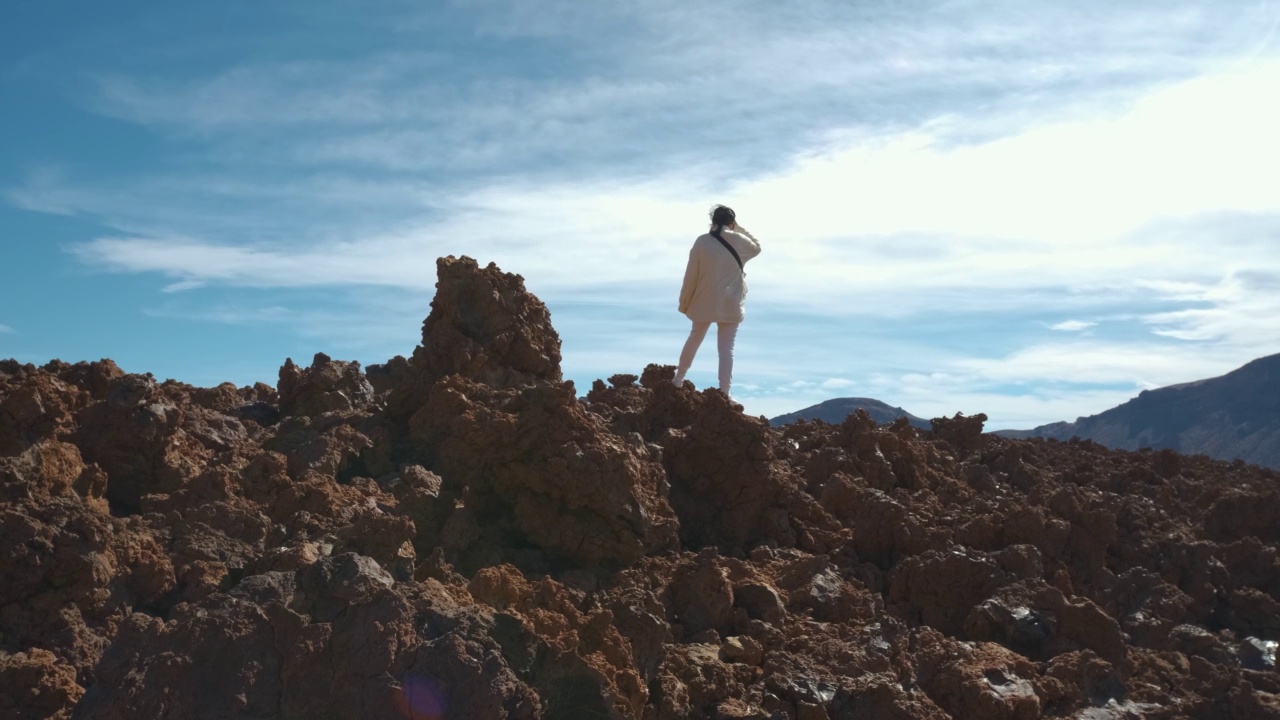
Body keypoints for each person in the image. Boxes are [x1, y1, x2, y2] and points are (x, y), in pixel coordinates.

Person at [673, 204, 761, 397]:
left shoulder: (702, 242)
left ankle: (679, 378)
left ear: (712, 221)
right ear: (731, 222)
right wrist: (737, 228)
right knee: (726, 350)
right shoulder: (739, 240)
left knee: (694, 338)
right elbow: (757, 247)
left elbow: (691, 275)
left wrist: (684, 301)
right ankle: (724, 392)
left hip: (704, 300)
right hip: (731, 302)